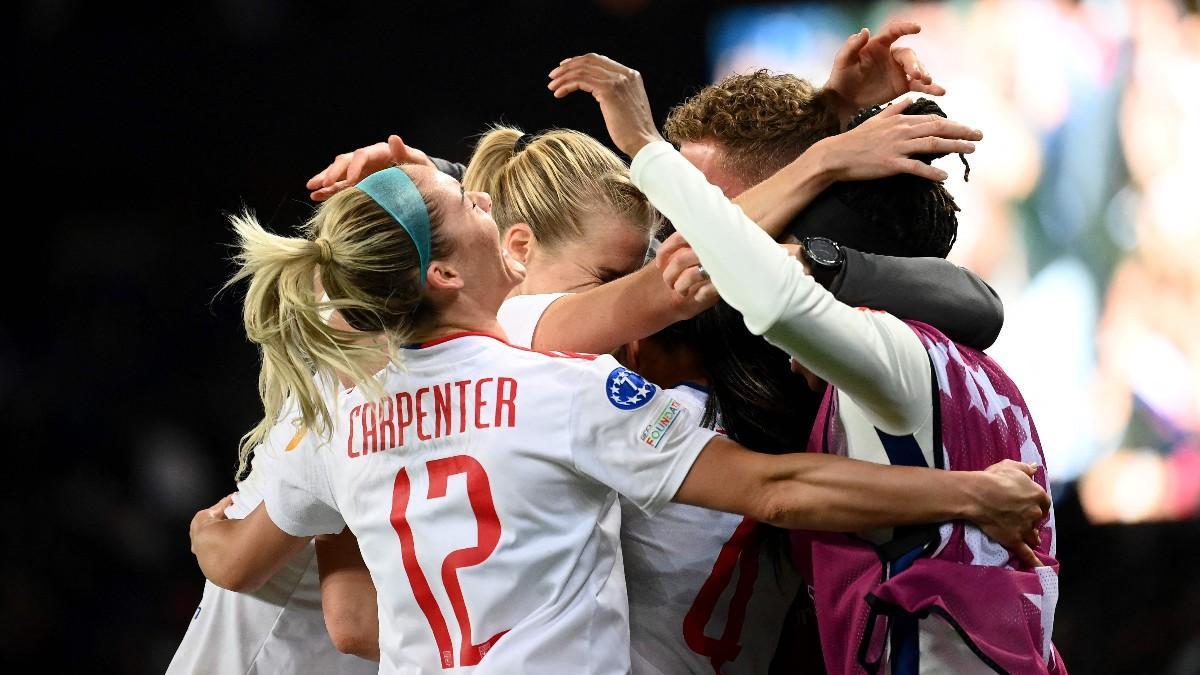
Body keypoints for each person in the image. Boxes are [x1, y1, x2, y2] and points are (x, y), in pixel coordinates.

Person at [189, 162, 1047, 674]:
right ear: (442, 276)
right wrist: (970, 493)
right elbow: (776, 490)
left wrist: (204, 526)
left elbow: (231, 553)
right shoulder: (557, 390)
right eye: (466, 203)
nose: (486, 201)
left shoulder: (346, 409)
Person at [549, 52, 1064, 673]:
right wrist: (826, 137)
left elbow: (976, 302)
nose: (681, 240)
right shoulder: (620, 360)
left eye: (700, 210)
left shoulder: (849, 356)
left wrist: (818, 162)